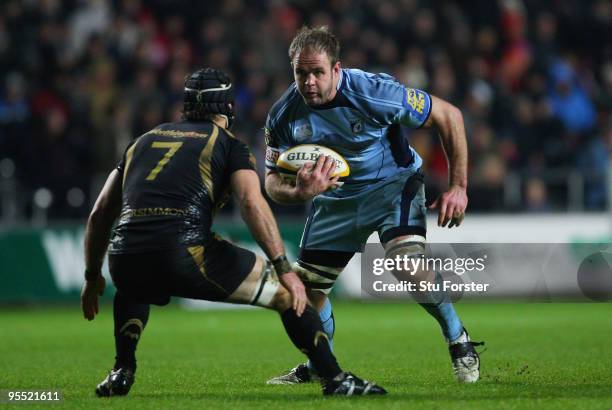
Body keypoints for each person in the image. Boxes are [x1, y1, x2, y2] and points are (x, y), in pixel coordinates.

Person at [80, 68, 386, 397]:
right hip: (184, 251)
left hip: (124, 255)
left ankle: (121, 370)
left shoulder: (142, 141)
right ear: (228, 107)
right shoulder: (228, 145)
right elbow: (251, 204)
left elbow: (99, 215)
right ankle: (335, 379)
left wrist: (92, 275)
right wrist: (284, 268)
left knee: (134, 282)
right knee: (286, 295)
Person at [264, 27, 482, 385]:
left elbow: (449, 116)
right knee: (305, 292)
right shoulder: (283, 114)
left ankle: (459, 339)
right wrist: (300, 191)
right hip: (335, 201)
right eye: (300, 73)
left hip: (392, 186)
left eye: (318, 72)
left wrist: (458, 187)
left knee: (406, 264)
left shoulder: (375, 92)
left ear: (337, 69)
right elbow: (272, 181)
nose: (309, 82)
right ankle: (321, 365)